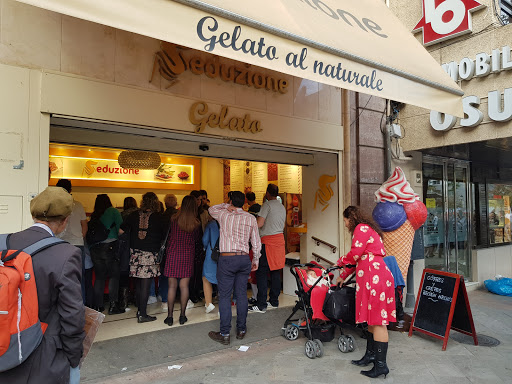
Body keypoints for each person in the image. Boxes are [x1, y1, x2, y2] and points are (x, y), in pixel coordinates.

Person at [0, 186, 85, 384]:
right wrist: (74, 358)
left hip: (5, 341)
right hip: (42, 355)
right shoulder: (66, 254)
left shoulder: (4, 242)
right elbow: (72, 314)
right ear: (64, 221)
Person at [337, 206, 396, 379]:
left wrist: (340, 261)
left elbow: (355, 254)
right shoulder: (365, 229)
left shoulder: (361, 228)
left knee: (378, 321)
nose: (346, 224)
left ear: (351, 218)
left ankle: (381, 365)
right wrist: (343, 275)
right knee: (372, 319)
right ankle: (371, 355)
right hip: (371, 278)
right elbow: (359, 258)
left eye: (345, 220)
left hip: (375, 279)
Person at [207, 191, 261, 345]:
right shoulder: (250, 218)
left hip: (227, 259)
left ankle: (224, 333)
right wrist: (255, 259)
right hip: (244, 258)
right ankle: (241, 330)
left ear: (230, 201)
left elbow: (211, 209)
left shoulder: (224, 215)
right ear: (244, 202)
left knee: (224, 296)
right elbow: (256, 242)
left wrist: (226, 206)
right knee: (242, 294)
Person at [120, 192, 166, 323]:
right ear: (156, 202)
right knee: (146, 285)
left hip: (135, 253)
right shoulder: (159, 217)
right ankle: (143, 314)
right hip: (150, 254)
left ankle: (140, 311)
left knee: (139, 284)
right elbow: (164, 235)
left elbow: (121, 231)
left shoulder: (133, 215)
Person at [163, 195, 203, 326]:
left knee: (172, 286)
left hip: (173, 254)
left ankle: (169, 317)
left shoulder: (173, 219)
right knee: (184, 286)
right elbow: (197, 241)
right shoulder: (196, 223)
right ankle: (182, 316)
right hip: (187, 255)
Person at [249, 184, 286, 313]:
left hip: (268, 242)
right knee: (276, 271)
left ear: (267, 193)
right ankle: (274, 301)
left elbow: (259, 223)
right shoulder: (282, 207)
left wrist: (251, 222)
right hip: (280, 241)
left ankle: (261, 304)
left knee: (261, 272)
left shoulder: (267, 205)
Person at [55, 179, 89, 305]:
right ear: (70, 190)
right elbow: (84, 226)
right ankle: (81, 307)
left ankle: (63, 306)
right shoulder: (78, 205)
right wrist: (80, 237)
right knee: (79, 277)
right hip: (77, 245)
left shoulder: (54, 205)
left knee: (60, 277)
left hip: (59, 244)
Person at [89, 194, 123, 314]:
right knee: (114, 276)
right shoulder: (113, 211)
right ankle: (113, 306)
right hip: (109, 247)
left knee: (99, 277)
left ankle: (98, 306)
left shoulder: (95, 215)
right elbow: (121, 229)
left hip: (94, 249)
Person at [245, 191, 261, 305]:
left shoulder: (250, 212)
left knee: (252, 273)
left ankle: (255, 297)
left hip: (251, 244)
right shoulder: (261, 208)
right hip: (260, 241)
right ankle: (258, 296)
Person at [202, 218, 220, 313]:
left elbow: (205, 239)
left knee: (206, 278)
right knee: (224, 277)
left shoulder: (212, 224)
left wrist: (205, 248)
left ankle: (209, 304)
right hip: (226, 253)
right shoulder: (228, 220)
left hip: (212, 253)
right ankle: (224, 301)